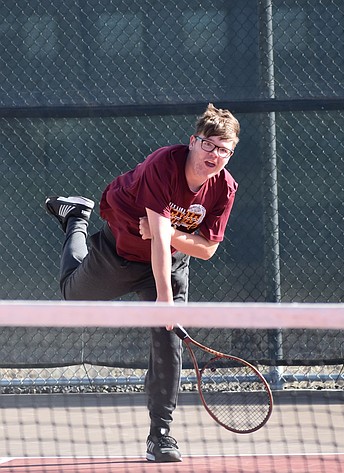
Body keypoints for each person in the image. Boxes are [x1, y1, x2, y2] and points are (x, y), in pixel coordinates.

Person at [44, 103, 240, 463]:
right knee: (72, 296)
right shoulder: (163, 165)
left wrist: (171, 246)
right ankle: (77, 218)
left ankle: (161, 434)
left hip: (169, 261)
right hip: (123, 252)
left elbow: (207, 249)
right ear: (193, 142)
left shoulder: (225, 188)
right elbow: (158, 238)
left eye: (223, 149)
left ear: (231, 154)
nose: (214, 155)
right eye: (208, 145)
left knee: (168, 341)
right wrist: (165, 297)